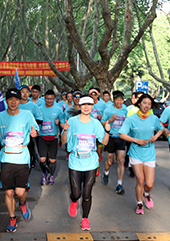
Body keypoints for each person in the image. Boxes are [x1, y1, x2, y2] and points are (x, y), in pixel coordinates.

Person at [0, 88, 39, 233]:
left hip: (22, 158)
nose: (13, 102)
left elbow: (36, 129)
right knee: (9, 193)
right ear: (6, 101)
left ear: (20, 101)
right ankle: (12, 218)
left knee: (20, 192)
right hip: (6, 158)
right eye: (10, 99)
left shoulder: (27, 115)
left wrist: (35, 133)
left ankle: (23, 204)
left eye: (16, 99)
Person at [61, 95, 109, 231]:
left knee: (87, 193)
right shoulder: (72, 121)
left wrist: (107, 132)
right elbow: (64, 141)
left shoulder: (95, 123)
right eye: (84, 104)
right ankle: (74, 200)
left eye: (90, 104)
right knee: (76, 192)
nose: (87, 107)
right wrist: (65, 130)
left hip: (91, 161)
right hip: (75, 161)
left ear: (93, 106)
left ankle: (85, 219)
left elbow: (104, 142)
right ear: (80, 106)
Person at [119, 93, 164, 214]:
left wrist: (156, 136)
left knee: (149, 184)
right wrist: (135, 140)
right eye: (144, 103)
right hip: (135, 153)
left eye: (149, 104)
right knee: (140, 180)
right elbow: (122, 134)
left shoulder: (153, 118)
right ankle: (139, 204)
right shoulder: (131, 119)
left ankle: (147, 194)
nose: (147, 106)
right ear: (139, 103)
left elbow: (161, 129)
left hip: (149, 153)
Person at [101, 90, 129, 194]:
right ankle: (106, 172)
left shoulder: (125, 110)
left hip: (121, 137)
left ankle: (119, 184)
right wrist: (111, 120)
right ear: (113, 100)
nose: (119, 102)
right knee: (110, 161)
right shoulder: (108, 110)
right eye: (117, 100)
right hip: (111, 137)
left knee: (121, 160)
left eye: (121, 100)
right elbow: (102, 124)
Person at [38, 90, 63, 185]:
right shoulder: (39, 108)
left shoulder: (58, 109)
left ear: (54, 99)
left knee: (52, 160)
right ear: (44, 98)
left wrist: (59, 123)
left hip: (53, 138)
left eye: (51, 99)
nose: (49, 100)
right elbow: (35, 121)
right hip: (42, 138)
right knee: (42, 159)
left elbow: (62, 123)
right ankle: (44, 173)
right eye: (47, 98)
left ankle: (51, 175)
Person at [88, 88, 106, 177]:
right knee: (91, 151)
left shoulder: (103, 104)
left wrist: (101, 117)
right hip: (89, 133)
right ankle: (92, 169)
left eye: (95, 94)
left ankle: (97, 164)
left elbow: (106, 118)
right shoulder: (87, 104)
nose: (93, 96)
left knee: (99, 152)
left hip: (100, 132)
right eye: (91, 94)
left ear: (98, 95)